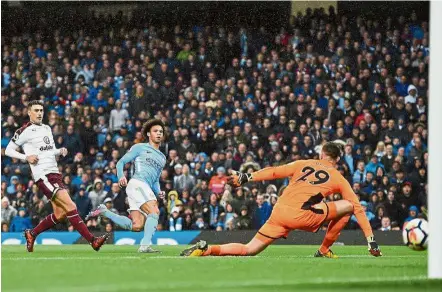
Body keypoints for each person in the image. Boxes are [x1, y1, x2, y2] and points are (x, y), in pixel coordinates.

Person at [181, 142, 382, 258]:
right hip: (301, 215)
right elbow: (357, 208)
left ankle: (207, 250)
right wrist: (371, 241)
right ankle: (323, 250)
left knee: (249, 249)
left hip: (278, 212)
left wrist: (246, 177)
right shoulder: (338, 177)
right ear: (337, 160)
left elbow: (275, 171)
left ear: (321, 154)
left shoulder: (303, 163)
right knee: (347, 206)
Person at [5, 100, 108, 252]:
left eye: (41, 110)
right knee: (71, 206)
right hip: (43, 176)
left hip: (55, 173)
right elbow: (8, 150)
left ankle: (32, 234)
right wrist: (26, 157)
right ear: (29, 112)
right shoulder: (24, 131)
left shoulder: (47, 128)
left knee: (60, 214)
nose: (39, 113)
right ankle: (92, 240)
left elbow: (49, 150)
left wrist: (59, 151)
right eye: (36, 110)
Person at [87, 119, 167, 253]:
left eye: (161, 131)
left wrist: (159, 191)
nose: (159, 133)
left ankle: (104, 211)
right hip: (137, 184)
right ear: (148, 134)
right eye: (155, 131)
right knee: (154, 211)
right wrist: (120, 176)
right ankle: (145, 246)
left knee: (137, 226)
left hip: (145, 188)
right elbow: (121, 162)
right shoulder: (139, 147)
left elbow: (155, 180)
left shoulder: (162, 158)